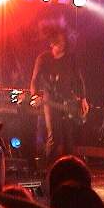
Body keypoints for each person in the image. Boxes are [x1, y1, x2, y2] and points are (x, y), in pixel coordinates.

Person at [30, 25, 88, 165]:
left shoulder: (71, 58)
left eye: (63, 42)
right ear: (52, 43)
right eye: (58, 42)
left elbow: (79, 79)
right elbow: (34, 80)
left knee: (69, 140)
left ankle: (69, 169)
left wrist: (83, 99)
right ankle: (49, 168)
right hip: (50, 101)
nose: (61, 45)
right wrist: (35, 95)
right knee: (54, 138)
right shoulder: (43, 58)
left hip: (68, 101)